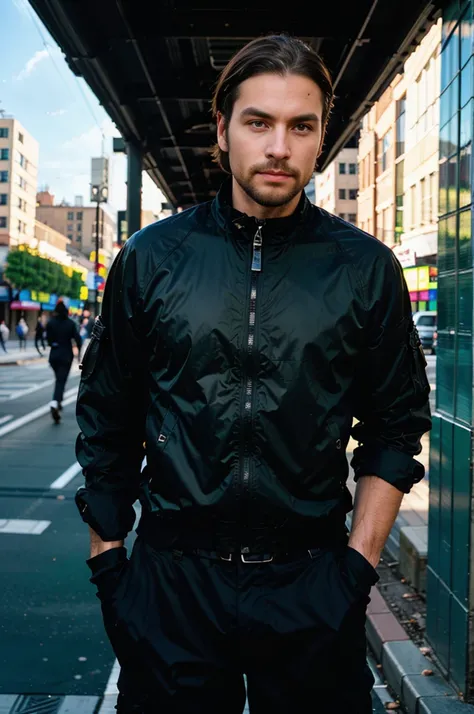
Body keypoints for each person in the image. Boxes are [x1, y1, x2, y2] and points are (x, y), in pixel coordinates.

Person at [75, 34, 431, 714]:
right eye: (258, 122)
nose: (279, 147)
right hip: (170, 587)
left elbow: (395, 424)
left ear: (322, 135)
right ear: (222, 130)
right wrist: (111, 567)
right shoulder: (153, 259)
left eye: (301, 126)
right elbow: (107, 416)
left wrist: (354, 573)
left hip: (310, 583)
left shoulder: (363, 268)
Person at [46, 301, 81, 423]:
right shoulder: (70, 323)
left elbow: (48, 341)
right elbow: (78, 340)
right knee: (61, 380)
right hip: (66, 356)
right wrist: (79, 355)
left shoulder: (50, 323)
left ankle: (58, 402)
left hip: (54, 355)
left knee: (59, 379)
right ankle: (55, 402)